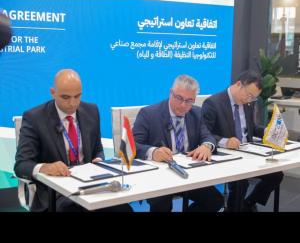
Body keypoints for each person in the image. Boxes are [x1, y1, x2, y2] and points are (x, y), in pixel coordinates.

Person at [14, 69, 133, 212]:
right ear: (53, 93)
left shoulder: (91, 111)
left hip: (91, 187)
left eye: (77, 96)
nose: (72, 103)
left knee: (123, 209)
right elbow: (21, 165)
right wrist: (45, 167)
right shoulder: (35, 118)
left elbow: (98, 149)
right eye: (65, 97)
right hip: (56, 194)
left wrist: (98, 160)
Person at [133, 74, 224, 212]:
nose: (183, 105)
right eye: (179, 98)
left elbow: (208, 136)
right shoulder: (149, 114)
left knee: (215, 200)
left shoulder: (197, 113)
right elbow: (132, 145)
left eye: (189, 101)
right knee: (161, 205)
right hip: (159, 177)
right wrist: (153, 152)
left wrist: (207, 146)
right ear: (171, 93)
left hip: (188, 174)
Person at [201, 70, 284, 212]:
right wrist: (225, 141)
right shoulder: (213, 103)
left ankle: (248, 203)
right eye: (249, 95)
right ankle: (235, 209)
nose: (249, 100)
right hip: (227, 155)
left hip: (249, 151)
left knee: (276, 175)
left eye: (253, 98)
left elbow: (251, 127)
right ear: (239, 84)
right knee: (241, 183)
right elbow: (203, 133)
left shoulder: (247, 103)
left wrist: (266, 131)